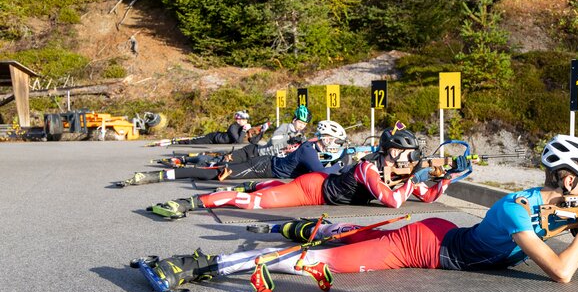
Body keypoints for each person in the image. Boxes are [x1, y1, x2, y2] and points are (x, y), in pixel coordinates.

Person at [138, 134, 578, 292]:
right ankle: (197, 266)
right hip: (424, 246)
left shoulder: (566, 210)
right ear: (569, 180)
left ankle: (310, 227)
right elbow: (563, 271)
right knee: (318, 263)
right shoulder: (517, 207)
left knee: (337, 242)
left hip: (446, 237)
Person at [146, 125, 461, 219]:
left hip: (321, 187)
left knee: (263, 191)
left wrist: (445, 178)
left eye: (410, 156)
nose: (407, 159)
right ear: (388, 151)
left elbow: (429, 196)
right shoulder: (368, 168)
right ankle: (192, 204)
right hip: (313, 189)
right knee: (260, 204)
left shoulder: (398, 175)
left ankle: (255, 185)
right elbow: (392, 201)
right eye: (402, 154)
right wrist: (416, 177)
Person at [114, 118, 349, 188]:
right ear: (326, 137)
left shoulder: (310, 147)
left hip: (264, 160)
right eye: (335, 141)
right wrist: (343, 165)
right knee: (219, 173)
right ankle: (163, 175)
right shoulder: (309, 150)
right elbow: (322, 173)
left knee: (218, 169)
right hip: (262, 165)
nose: (334, 144)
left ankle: (172, 171)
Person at [158, 106, 313, 168]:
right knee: (221, 161)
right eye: (300, 122)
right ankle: (185, 160)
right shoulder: (284, 128)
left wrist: (260, 131)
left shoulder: (300, 134)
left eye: (304, 124)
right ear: (294, 120)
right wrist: (289, 140)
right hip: (254, 153)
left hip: (264, 158)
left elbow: (255, 140)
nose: (302, 126)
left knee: (224, 161)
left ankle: (192, 159)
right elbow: (273, 143)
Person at [185, 111, 265, 145]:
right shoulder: (233, 127)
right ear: (238, 120)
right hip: (212, 138)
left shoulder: (243, 127)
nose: (246, 121)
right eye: (244, 119)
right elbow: (239, 141)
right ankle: (178, 142)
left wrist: (262, 132)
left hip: (218, 140)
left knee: (194, 141)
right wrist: (244, 129)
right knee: (193, 142)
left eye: (246, 119)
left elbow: (252, 141)